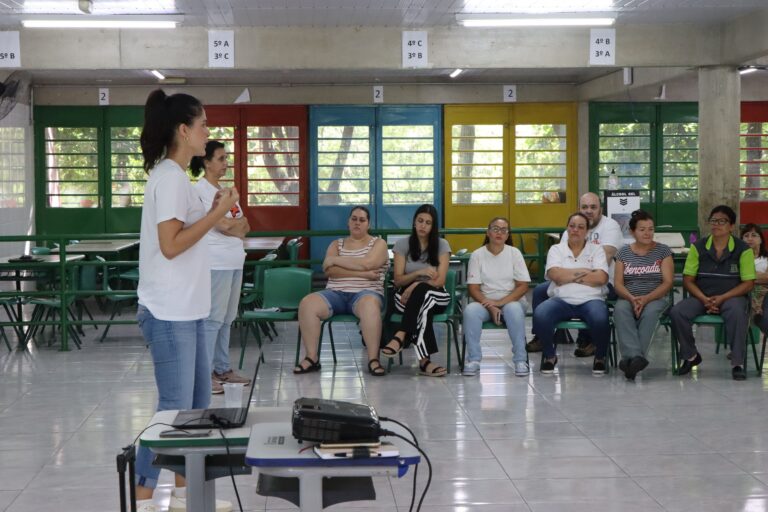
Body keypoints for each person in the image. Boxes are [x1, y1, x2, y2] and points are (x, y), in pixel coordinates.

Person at [135, 90, 238, 512]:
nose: (208, 132)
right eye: (203, 125)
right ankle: (141, 497)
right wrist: (218, 214)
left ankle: (184, 491)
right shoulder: (170, 177)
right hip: (169, 310)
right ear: (184, 130)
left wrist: (215, 208)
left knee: (196, 411)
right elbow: (172, 245)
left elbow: (198, 224)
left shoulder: (181, 177)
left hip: (191, 308)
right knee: (171, 411)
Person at [294, 206, 389, 375]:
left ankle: (373, 359)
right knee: (307, 304)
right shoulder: (336, 244)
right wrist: (364, 273)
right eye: (354, 219)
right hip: (335, 293)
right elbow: (330, 271)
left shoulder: (378, 243)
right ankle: (312, 358)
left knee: (369, 306)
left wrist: (334, 260)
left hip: (366, 293)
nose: (357, 223)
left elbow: (369, 263)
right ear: (348, 222)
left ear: (368, 224)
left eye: (362, 220)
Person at [527, 192, 622, 356]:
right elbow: (559, 261)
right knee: (540, 290)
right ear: (579, 208)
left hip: (604, 282)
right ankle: (542, 335)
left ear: (600, 209)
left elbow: (604, 259)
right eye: (584, 207)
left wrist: (570, 274)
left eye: (593, 207)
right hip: (572, 281)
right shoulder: (569, 231)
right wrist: (580, 272)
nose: (589, 211)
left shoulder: (610, 226)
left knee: (587, 297)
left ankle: (591, 339)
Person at [190, 140, 252, 395]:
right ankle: (204, 375)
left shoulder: (227, 193)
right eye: (221, 158)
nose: (226, 163)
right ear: (206, 161)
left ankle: (222, 368)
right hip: (216, 262)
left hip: (235, 260)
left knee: (227, 318)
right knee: (213, 319)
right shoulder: (201, 191)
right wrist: (232, 227)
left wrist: (233, 227)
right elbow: (223, 225)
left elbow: (245, 225)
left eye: (226, 158)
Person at [669, 205, 755, 381]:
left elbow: (748, 283)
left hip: (732, 297)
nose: (716, 224)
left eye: (722, 221)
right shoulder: (698, 247)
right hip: (702, 297)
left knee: (738, 312)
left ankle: (737, 363)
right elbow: (687, 280)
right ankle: (691, 356)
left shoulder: (743, 249)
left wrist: (722, 298)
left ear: (731, 226)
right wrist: (704, 299)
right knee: (677, 312)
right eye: (713, 221)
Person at [533, 212, 611, 375]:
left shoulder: (596, 250)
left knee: (600, 318)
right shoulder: (556, 249)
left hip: (591, 299)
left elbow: (602, 278)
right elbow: (556, 276)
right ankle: (549, 356)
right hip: (561, 299)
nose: (575, 230)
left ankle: (600, 357)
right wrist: (585, 272)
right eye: (572, 226)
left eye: (580, 227)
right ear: (567, 228)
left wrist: (567, 275)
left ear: (587, 232)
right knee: (541, 313)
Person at [380, 204, 451, 377]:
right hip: (404, 297)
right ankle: (425, 362)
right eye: (420, 221)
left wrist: (415, 285)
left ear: (433, 226)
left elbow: (440, 280)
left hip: (437, 294)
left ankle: (402, 333)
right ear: (414, 222)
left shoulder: (442, 244)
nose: (423, 225)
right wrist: (419, 273)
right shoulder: (402, 244)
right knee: (423, 309)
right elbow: (398, 280)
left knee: (424, 296)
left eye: (428, 222)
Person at [461, 217, 531, 377]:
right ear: (488, 232)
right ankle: (473, 359)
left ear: (508, 235)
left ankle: (520, 360)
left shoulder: (514, 253)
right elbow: (473, 288)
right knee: (470, 311)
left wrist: (500, 303)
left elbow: (523, 286)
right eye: (495, 229)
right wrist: (491, 306)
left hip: (511, 300)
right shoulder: (478, 255)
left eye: (504, 230)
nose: (500, 233)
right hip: (485, 303)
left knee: (513, 309)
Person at [613, 210, 674, 380]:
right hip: (628, 296)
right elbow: (618, 283)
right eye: (642, 229)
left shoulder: (663, 251)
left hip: (656, 297)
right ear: (632, 231)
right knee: (620, 310)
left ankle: (628, 360)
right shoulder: (623, 253)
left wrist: (646, 299)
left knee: (650, 313)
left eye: (651, 229)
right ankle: (636, 358)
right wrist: (632, 299)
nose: (647, 233)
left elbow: (667, 282)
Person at [741, 223, 768, 334]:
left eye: (754, 235)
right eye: (746, 235)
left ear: (761, 239)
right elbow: (737, 277)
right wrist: (761, 275)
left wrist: (748, 276)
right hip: (745, 295)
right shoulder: (737, 258)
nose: (750, 239)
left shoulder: (766, 258)